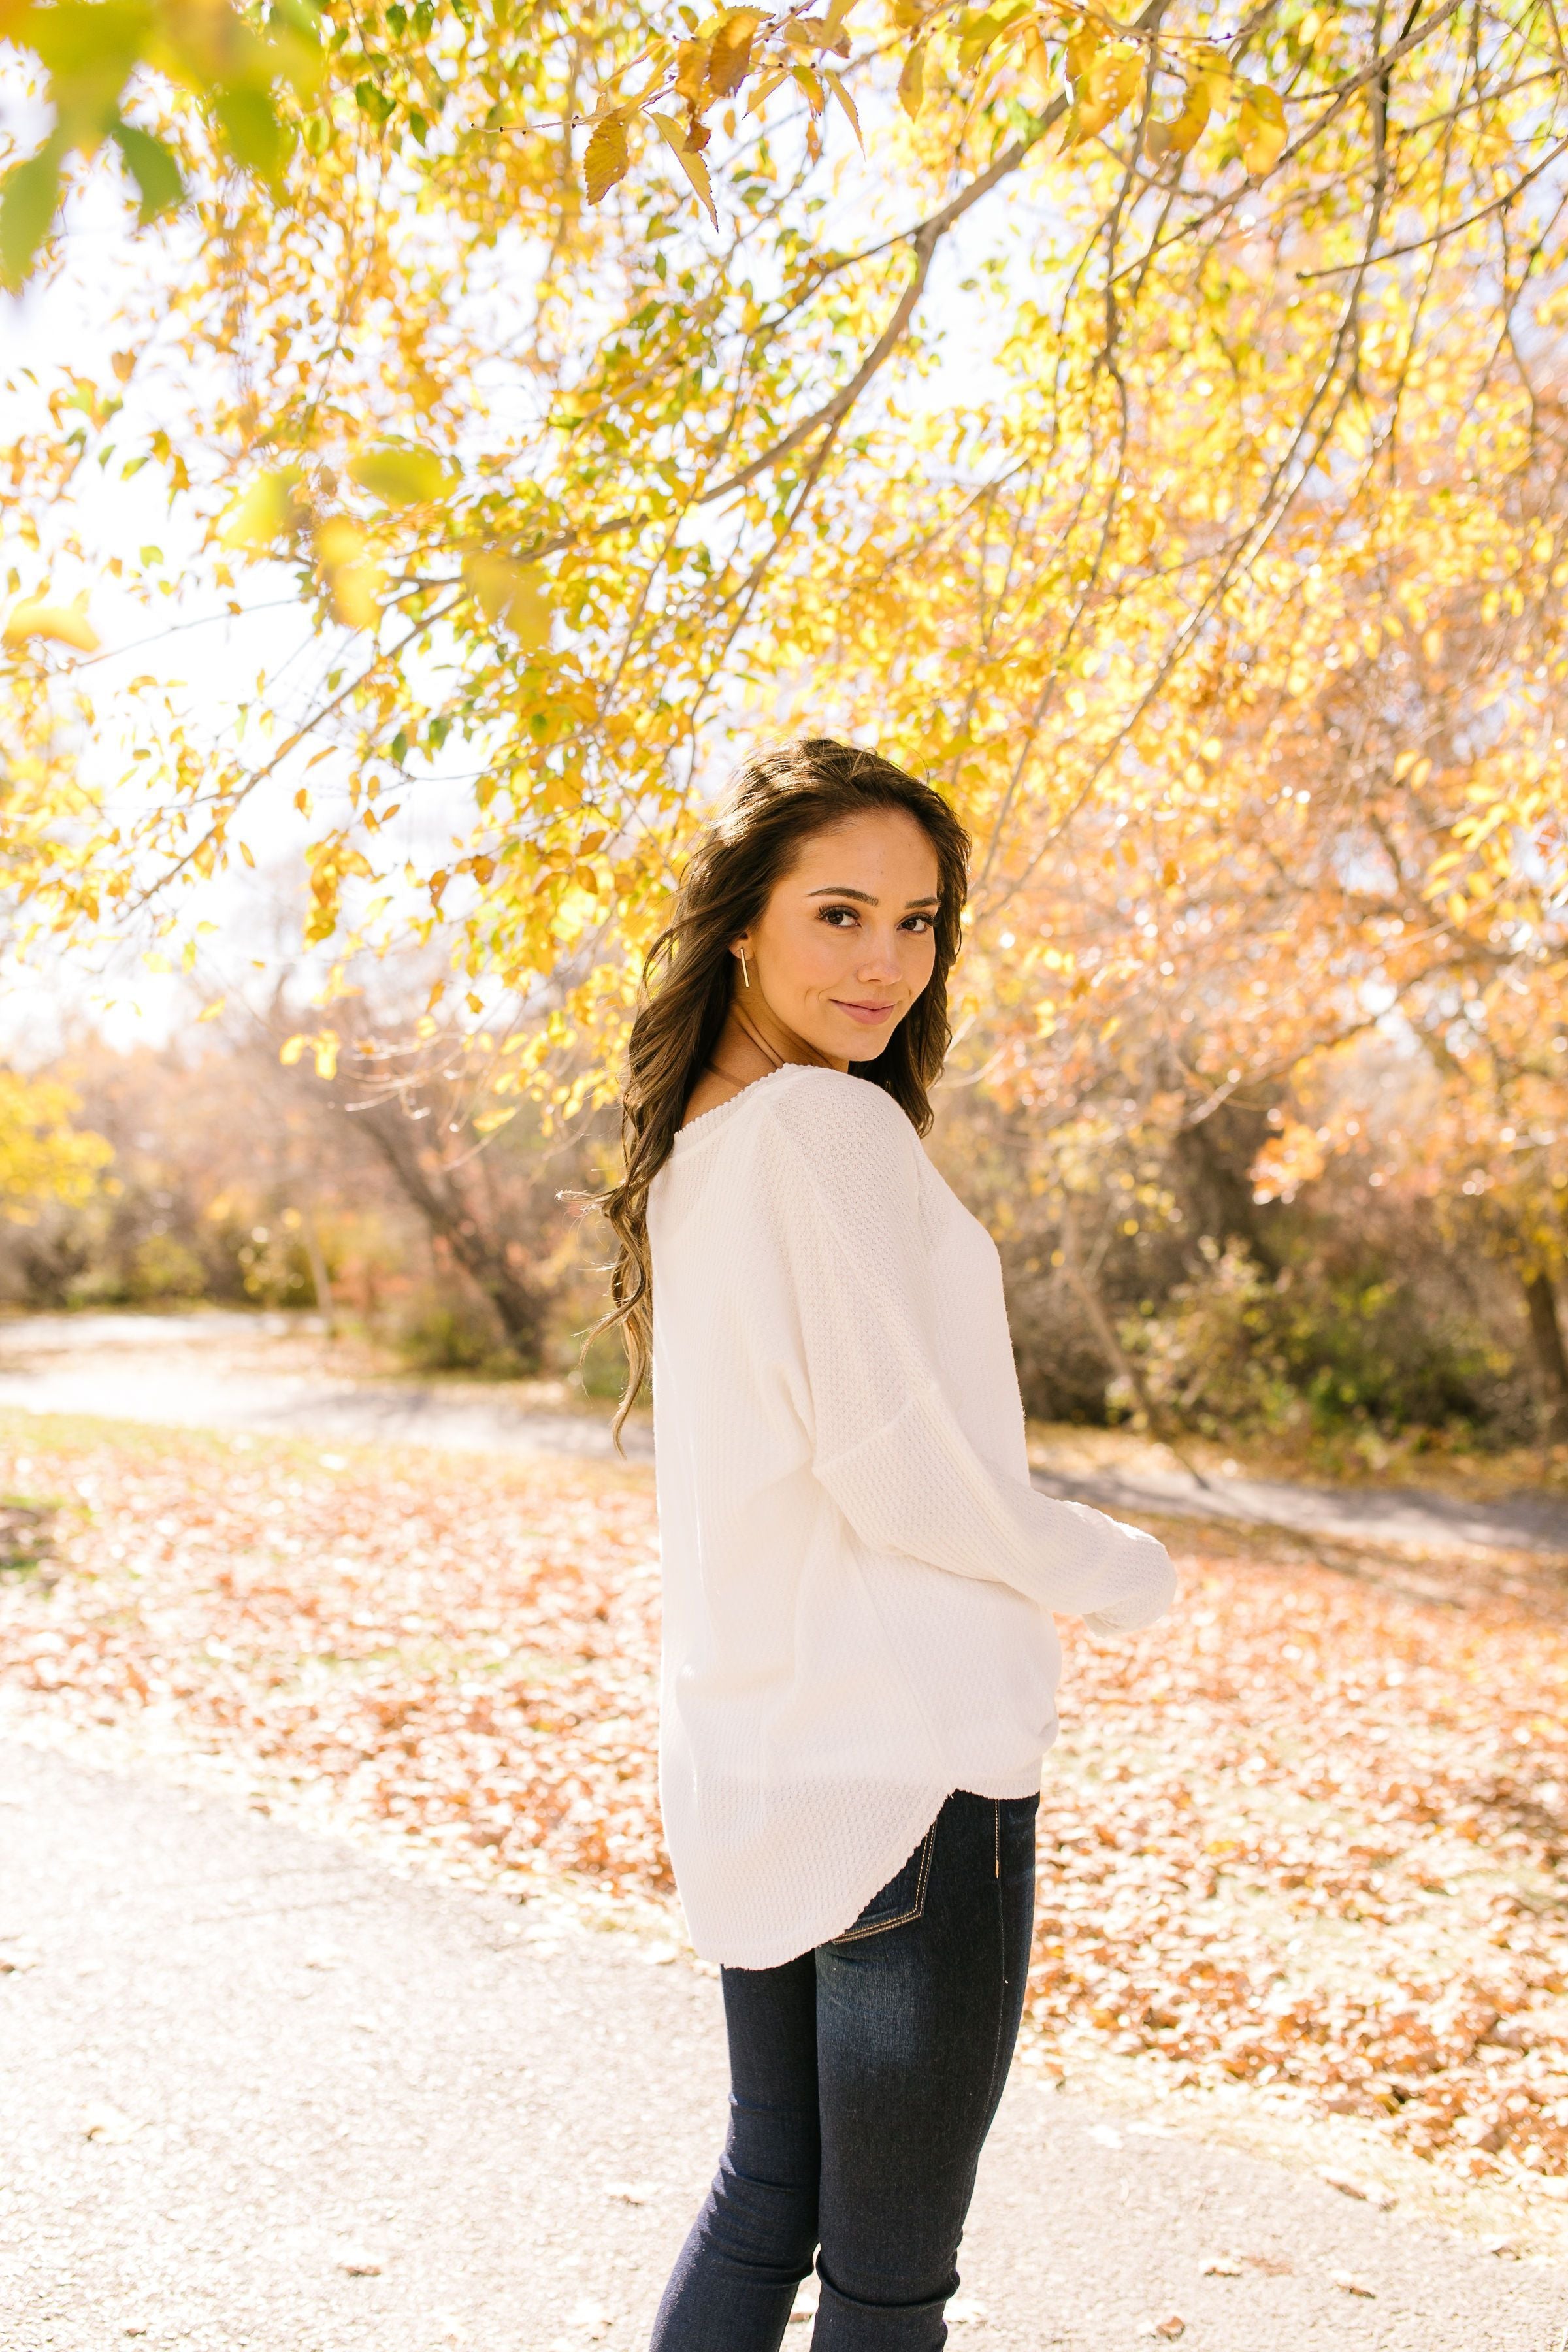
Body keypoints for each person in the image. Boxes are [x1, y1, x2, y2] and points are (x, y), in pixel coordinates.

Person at [595, 738, 1175, 2351]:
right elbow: (908, 1473)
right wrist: (1120, 1572)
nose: (885, 963)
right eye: (840, 913)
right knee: (886, 2280)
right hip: (913, 1779)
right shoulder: (819, 1133)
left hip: (760, 1764)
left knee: (768, 2194)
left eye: (917, 923)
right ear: (741, 927)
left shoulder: (701, 1156)